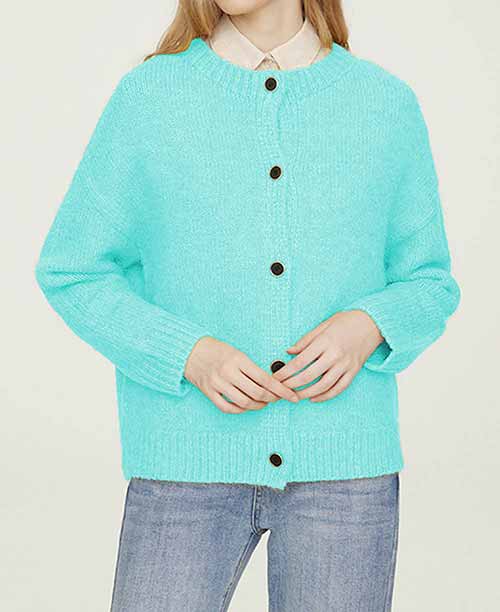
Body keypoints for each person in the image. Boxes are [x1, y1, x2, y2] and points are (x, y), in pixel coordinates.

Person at [35, 1, 461, 610]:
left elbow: (430, 282)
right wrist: (188, 354)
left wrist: (368, 325)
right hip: (185, 465)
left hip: (345, 474)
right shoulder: (150, 98)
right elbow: (72, 270)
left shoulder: (384, 104)